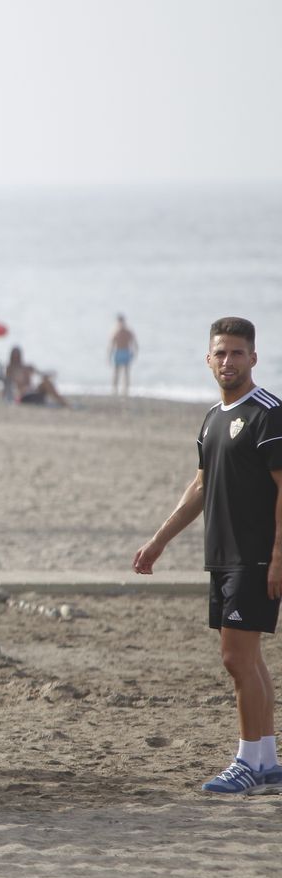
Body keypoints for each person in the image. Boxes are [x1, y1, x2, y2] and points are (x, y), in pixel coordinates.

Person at [134, 316, 282, 794]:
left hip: (256, 555)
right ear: (208, 358)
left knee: (236, 658)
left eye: (237, 353)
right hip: (222, 553)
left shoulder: (269, 413)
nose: (228, 361)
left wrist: (279, 554)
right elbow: (200, 486)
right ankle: (267, 760)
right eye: (220, 352)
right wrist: (159, 540)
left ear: (253, 358)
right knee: (248, 660)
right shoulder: (213, 417)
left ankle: (247, 761)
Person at [110, 314, 139, 396]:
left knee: (126, 372)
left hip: (126, 352)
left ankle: (126, 390)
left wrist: (135, 352)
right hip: (119, 352)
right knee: (116, 372)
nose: (121, 323)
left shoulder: (128, 331)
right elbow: (112, 344)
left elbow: (135, 342)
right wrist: (109, 355)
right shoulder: (116, 331)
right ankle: (115, 389)